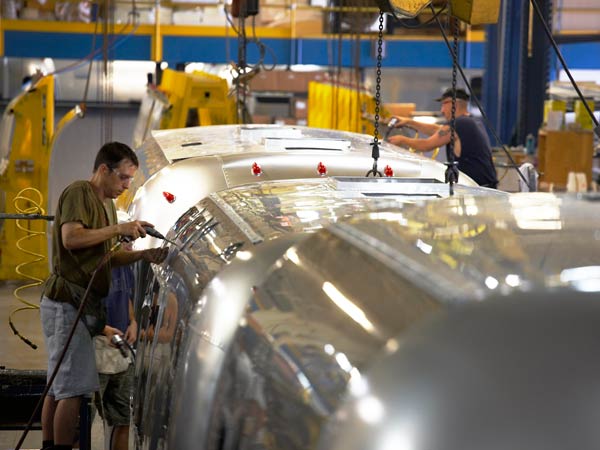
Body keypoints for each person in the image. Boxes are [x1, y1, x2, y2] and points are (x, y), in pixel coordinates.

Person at [40, 141, 168, 450]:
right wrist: (118, 229)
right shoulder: (78, 193)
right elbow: (71, 239)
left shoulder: (107, 206)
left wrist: (144, 255)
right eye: (123, 178)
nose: (126, 186)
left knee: (65, 386)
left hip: (84, 305)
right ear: (103, 170)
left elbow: (105, 259)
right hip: (66, 301)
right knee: (72, 388)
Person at [387, 88, 498, 188]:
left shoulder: (460, 123)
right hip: (486, 186)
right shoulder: (472, 121)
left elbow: (426, 145)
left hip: (478, 189)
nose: (442, 110)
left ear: (454, 104)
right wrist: (409, 122)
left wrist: (402, 140)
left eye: (444, 104)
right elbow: (438, 130)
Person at [94, 240, 137, 450]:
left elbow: (126, 296)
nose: (131, 247)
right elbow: (82, 307)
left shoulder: (126, 268)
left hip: (121, 353)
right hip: (97, 348)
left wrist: (133, 321)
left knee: (123, 419)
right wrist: (105, 330)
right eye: (127, 241)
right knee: (83, 417)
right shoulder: (98, 268)